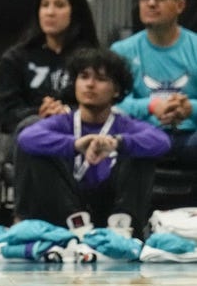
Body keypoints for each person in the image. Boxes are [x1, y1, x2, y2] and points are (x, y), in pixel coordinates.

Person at [15, 48, 170, 232]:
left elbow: (162, 141)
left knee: (142, 149)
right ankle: (69, 222)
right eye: (84, 76)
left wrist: (117, 143)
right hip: (68, 208)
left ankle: (124, 224)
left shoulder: (123, 124)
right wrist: (74, 145)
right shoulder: (63, 121)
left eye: (101, 79)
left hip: (112, 208)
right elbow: (26, 137)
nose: (90, 84)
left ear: (116, 90)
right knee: (36, 145)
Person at [111, 0, 197, 166]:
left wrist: (189, 108)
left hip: (190, 136)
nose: (151, 3)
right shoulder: (121, 51)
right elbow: (111, 103)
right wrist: (151, 106)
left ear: (180, 5)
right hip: (139, 134)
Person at [0, 0, 99, 136]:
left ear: (75, 11)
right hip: (28, 136)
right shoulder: (14, 59)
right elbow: (7, 115)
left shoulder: (92, 58)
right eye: (45, 5)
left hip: (79, 134)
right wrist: (41, 113)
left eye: (59, 5)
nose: (50, 12)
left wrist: (66, 112)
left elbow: (101, 105)